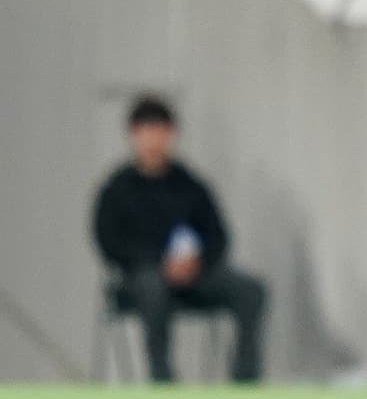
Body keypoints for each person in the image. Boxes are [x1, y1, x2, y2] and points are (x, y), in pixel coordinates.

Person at [93, 96, 268, 383]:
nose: (154, 139)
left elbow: (217, 236)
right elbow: (108, 241)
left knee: (251, 290)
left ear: (171, 134)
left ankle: (245, 378)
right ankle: (162, 379)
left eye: (160, 130)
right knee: (153, 288)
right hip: (140, 277)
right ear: (133, 135)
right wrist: (157, 263)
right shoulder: (117, 189)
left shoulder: (189, 185)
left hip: (194, 275)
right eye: (146, 130)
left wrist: (196, 262)